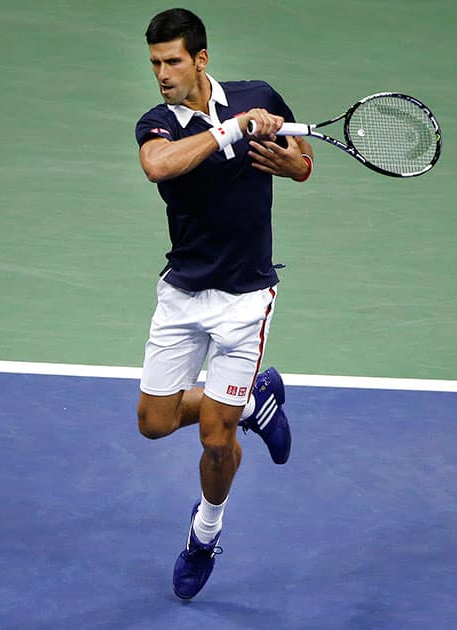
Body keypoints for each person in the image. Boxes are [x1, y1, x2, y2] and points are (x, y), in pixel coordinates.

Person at [134, 8, 314, 600]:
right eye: (155, 62)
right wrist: (233, 130)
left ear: (200, 59)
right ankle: (254, 402)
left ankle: (204, 535)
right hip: (182, 295)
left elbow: (302, 163)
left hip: (245, 298)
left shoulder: (259, 94)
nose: (162, 73)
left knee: (217, 437)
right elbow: (160, 167)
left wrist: (293, 164)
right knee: (154, 423)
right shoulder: (158, 123)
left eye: (173, 61)